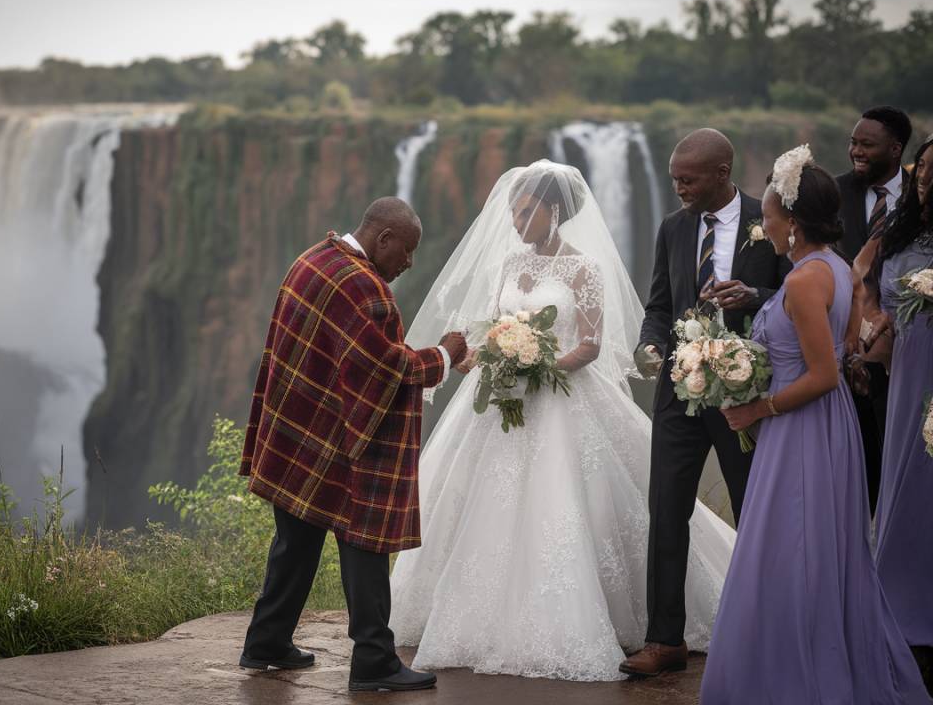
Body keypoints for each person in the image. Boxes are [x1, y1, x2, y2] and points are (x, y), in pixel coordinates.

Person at [388, 160, 736, 682]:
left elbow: (592, 345)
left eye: (525, 212)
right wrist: (483, 357)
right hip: (504, 399)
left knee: (572, 500)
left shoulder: (583, 269)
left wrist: (540, 366)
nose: (515, 222)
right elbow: (492, 330)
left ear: (553, 211)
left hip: (562, 397)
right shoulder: (508, 264)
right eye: (511, 211)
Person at [699, 146, 930, 704]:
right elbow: (846, 351)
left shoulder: (806, 281)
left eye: (770, 216)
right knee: (816, 554)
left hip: (799, 430)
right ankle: (812, 661)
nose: (765, 224)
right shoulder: (835, 268)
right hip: (825, 429)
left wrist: (757, 408)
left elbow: (824, 374)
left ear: (793, 224)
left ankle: (795, 677)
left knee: (791, 553)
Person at [237, 197, 467, 692]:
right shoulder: (365, 289)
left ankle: (266, 642)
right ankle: (374, 662)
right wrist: (445, 356)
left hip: (294, 435)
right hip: (337, 447)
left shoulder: (313, 261)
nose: (409, 263)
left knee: (294, 543)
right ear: (383, 239)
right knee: (364, 546)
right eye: (407, 252)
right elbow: (384, 368)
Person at [621, 129, 787, 677]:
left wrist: (755, 296)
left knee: (751, 511)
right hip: (678, 391)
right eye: (673, 179)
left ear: (722, 173)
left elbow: (797, 292)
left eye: (687, 180)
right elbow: (660, 303)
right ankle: (663, 640)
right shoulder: (674, 227)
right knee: (666, 510)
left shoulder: (771, 221)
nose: (678, 189)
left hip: (743, 391)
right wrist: (649, 342)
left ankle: (763, 634)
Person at [873, 133, 933, 681]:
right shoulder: (900, 232)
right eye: (922, 173)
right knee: (907, 485)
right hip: (908, 379)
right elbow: (868, 288)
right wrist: (872, 332)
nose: (926, 183)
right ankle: (898, 612)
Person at [837, 106, 913, 515]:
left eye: (867, 144)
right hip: (846, 362)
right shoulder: (832, 194)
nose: (856, 151)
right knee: (855, 479)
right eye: (853, 143)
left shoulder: (923, 196)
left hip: (910, 355)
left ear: (896, 148)